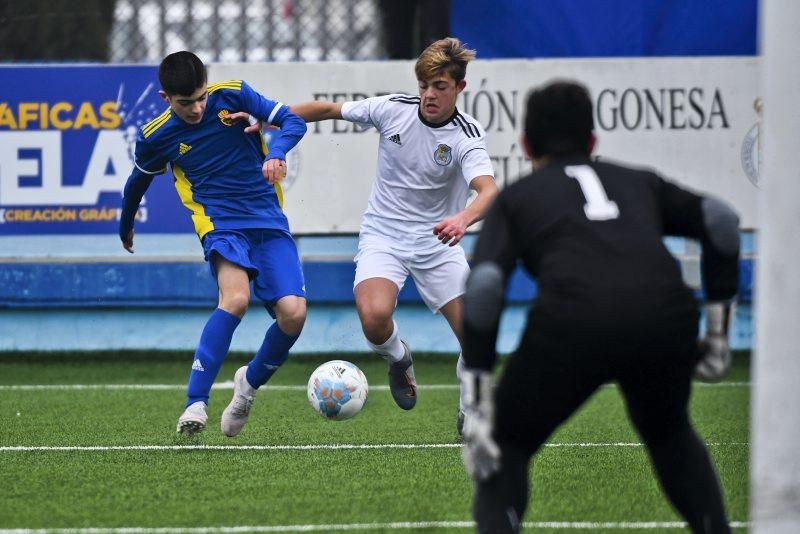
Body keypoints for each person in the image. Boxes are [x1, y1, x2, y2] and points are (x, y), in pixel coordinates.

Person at [459, 80, 738, 533]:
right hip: (664, 317)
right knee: (670, 435)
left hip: (572, 323)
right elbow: (721, 221)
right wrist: (719, 335)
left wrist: (478, 402)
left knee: (505, 448)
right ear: (593, 141)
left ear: (526, 144)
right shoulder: (638, 181)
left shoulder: (517, 198)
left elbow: (487, 286)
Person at [280, 37, 496, 423]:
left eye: (440, 87)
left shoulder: (466, 135)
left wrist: (462, 219)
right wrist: (269, 117)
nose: (430, 95)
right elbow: (329, 108)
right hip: (384, 237)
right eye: (424, 85)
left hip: (438, 244)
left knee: (477, 337)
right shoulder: (393, 109)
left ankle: (470, 407)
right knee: (374, 317)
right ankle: (399, 358)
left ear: (460, 87)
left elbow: (488, 191)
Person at [119, 51, 308, 438]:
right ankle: (195, 402)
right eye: (185, 103)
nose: (197, 108)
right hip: (220, 223)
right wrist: (125, 224)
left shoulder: (234, 95)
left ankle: (248, 387)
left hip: (268, 220)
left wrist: (275, 151)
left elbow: (292, 120)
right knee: (235, 299)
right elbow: (137, 181)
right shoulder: (157, 135)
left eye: (201, 97)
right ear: (165, 98)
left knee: (294, 315)